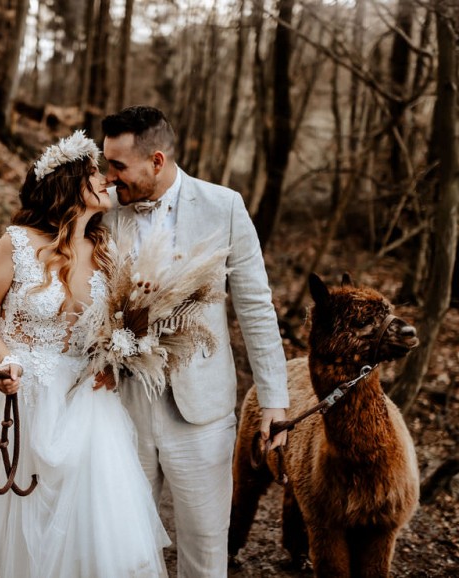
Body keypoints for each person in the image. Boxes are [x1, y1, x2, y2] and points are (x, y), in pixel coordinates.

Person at [0, 130, 169, 578]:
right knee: (13, 528)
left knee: (83, 535)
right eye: (95, 175)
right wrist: (2, 360)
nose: (107, 181)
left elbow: (111, 329)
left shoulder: (107, 252)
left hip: (87, 409)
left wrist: (115, 360)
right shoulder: (17, 243)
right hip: (20, 397)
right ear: (68, 185)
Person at [101, 105, 289, 577]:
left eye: (119, 165)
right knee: (123, 550)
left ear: (157, 161)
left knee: (205, 553)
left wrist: (274, 402)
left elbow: (256, 307)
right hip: (119, 409)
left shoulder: (224, 206)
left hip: (201, 414)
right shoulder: (102, 213)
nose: (109, 176)